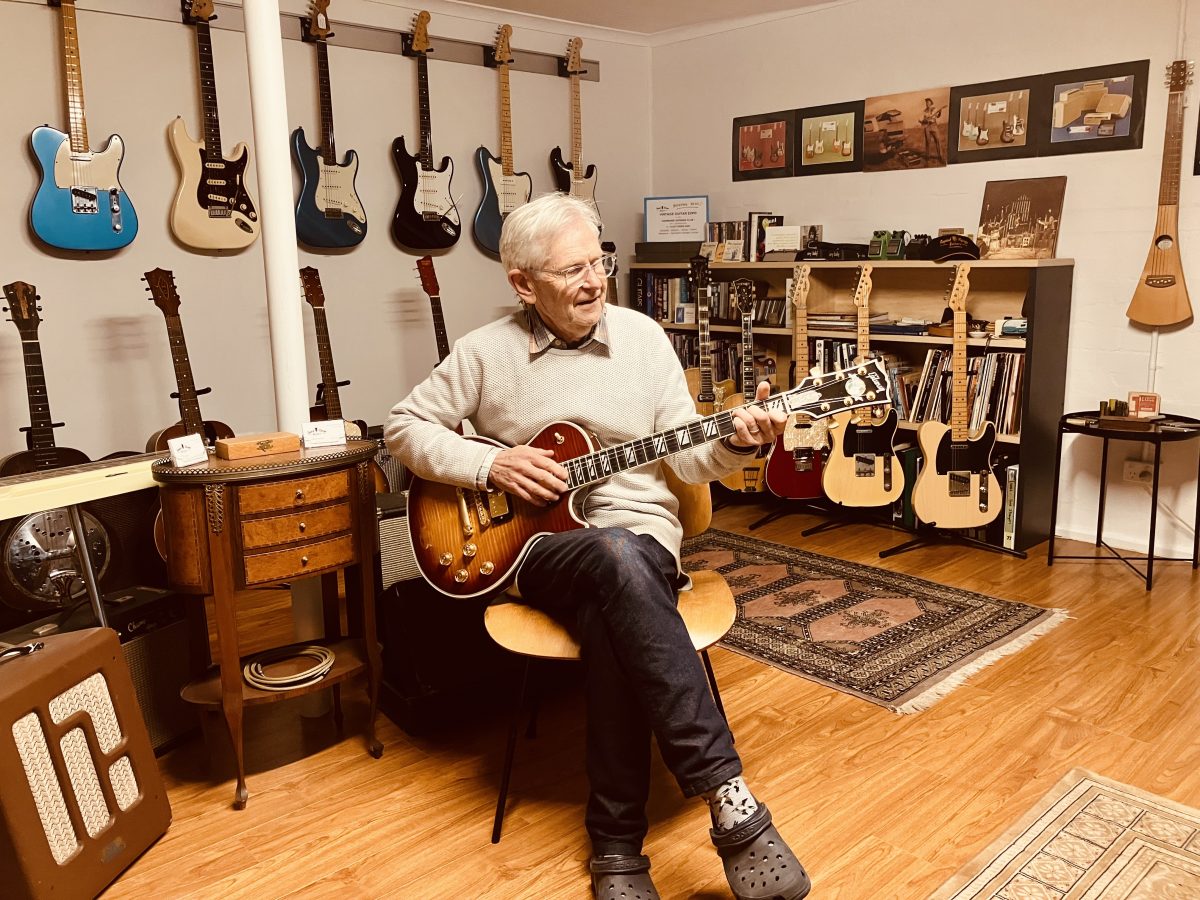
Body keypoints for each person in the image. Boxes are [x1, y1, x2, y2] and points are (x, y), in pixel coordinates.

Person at [385, 192, 811, 900]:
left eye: (599, 262)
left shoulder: (644, 339)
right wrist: (489, 465)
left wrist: (734, 445)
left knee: (621, 572)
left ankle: (617, 846)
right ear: (523, 283)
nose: (594, 282)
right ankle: (729, 802)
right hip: (532, 550)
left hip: (642, 541)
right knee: (616, 562)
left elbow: (690, 460)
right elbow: (405, 427)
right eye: (571, 270)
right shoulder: (486, 352)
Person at [920, 97, 945, 164]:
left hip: (934, 125)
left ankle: (940, 157)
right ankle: (928, 156)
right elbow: (923, 120)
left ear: (931, 103)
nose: (927, 104)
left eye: (928, 103)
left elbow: (938, 116)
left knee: (938, 140)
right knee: (928, 142)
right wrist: (924, 120)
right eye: (926, 103)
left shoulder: (935, 109)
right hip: (927, 127)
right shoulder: (924, 111)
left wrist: (940, 112)